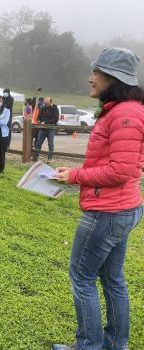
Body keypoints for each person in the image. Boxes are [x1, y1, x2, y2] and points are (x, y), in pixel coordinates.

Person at [52, 48, 144, 350]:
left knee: (82, 279)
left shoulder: (125, 113)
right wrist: (76, 171)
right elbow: (116, 163)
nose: (90, 78)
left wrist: (76, 177)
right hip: (122, 207)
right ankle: (114, 344)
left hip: (108, 212)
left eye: (96, 72)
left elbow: (121, 170)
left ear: (113, 78)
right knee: (112, 278)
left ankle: (88, 346)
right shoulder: (123, 110)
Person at [33, 97, 59, 162]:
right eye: (45, 102)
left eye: (47, 102)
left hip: (50, 129)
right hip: (42, 129)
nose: (45, 103)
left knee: (50, 144)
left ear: (50, 102)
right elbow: (38, 117)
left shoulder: (55, 109)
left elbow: (55, 119)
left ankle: (50, 158)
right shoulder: (43, 108)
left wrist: (46, 122)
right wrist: (39, 121)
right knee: (38, 143)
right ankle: (35, 157)